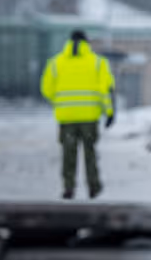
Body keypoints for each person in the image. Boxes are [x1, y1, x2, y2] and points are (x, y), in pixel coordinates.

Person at [40, 30, 115, 199]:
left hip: (66, 118)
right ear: (86, 43)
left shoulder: (55, 63)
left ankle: (68, 187)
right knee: (90, 153)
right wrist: (109, 112)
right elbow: (105, 91)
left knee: (68, 155)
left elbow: (46, 89)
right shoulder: (98, 63)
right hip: (89, 117)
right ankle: (93, 186)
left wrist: (60, 101)